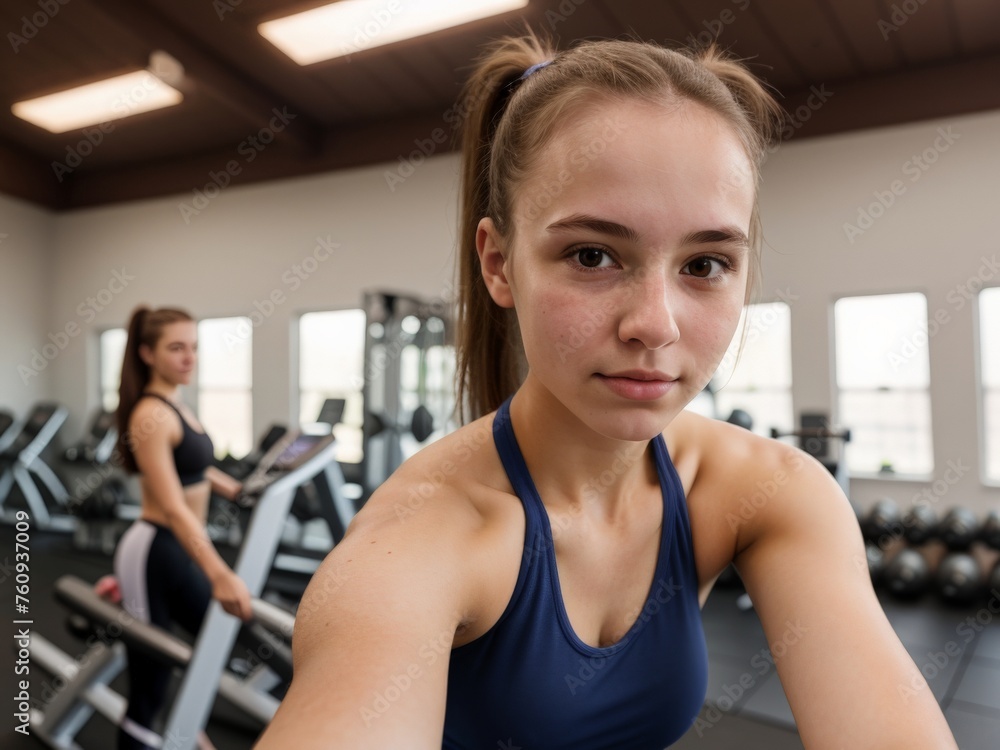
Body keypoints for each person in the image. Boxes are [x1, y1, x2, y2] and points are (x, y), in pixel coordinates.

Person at [256, 31, 958, 749]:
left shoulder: (763, 492)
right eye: (592, 255)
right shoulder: (420, 544)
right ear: (499, 264)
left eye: (707, 263)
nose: (654, 325)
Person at [113, 306, 252, 750]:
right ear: (147, 354)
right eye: (176, 348)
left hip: (178, 548)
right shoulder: (150, 415)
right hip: (153, 548)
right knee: (149, 684)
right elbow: (173, 505)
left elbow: (196, 468)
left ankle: (189, 730)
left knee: (217, 641)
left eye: (193, 347)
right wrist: (220, 573)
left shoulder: (178, 404)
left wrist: (236, 490)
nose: (189, 358)